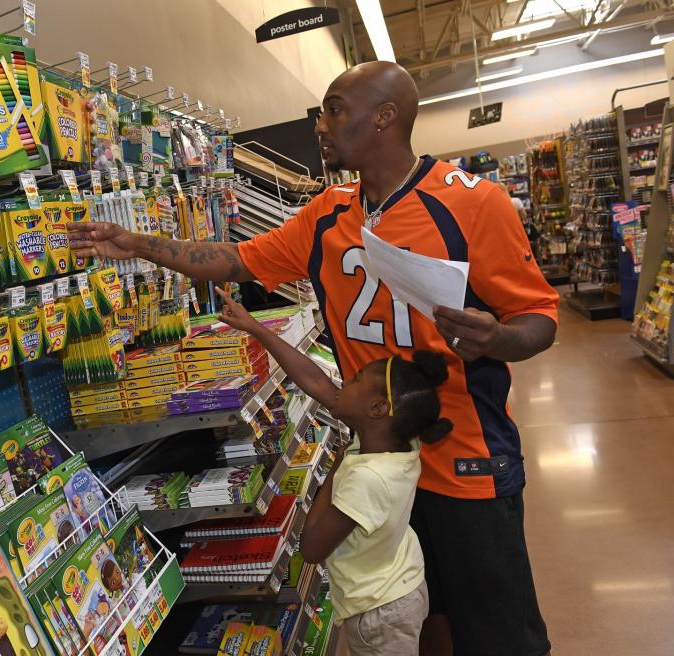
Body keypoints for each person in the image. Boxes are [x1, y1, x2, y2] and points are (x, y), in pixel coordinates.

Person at [69, 61, 558, 656]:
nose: (321, 124)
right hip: (382, 464)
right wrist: (141, 244)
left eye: (334, 109)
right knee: (422, 617)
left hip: (467, 463)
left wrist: (496, 339)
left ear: (385, 118)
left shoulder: (474, 205)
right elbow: (235, 261)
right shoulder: (326, 212)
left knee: (501, 633)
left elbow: (539, 320)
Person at [215, 286, 451, 655]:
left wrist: (336, 467)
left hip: (378, 612)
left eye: (354, 381)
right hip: (399, 583)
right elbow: (312, 379)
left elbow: (311, 547)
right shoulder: (394, 441)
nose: (343, 384)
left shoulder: (367, 475)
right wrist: (256, 328)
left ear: (376, 409)